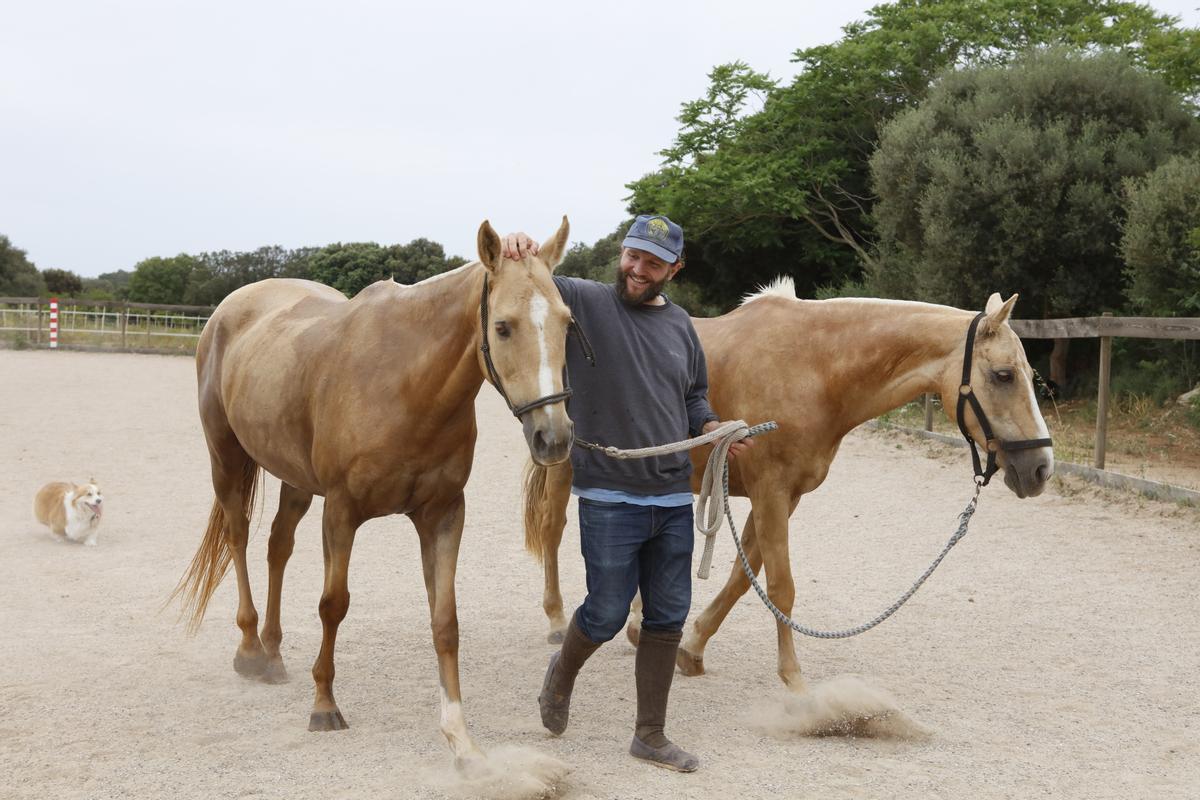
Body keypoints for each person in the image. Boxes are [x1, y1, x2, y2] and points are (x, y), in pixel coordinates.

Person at [502, 214, 752, 773]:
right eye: (632, 256)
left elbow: (692, 399)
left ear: (674, 269)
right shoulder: (585, 303)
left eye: (653, 262)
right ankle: (561, 675)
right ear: (622, 253)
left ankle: (650, 735)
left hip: (670, 495)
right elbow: (529, 284)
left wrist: (712, 428)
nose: (638, 270)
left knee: (667, 617)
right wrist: (519, 248)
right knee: (609, 611)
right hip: (609, 493)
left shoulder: (682, 326)